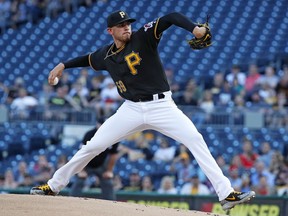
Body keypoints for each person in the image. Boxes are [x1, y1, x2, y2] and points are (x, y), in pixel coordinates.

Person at [30, 10, 255, 210]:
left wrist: (194, 28)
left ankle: (226, 194)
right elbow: (87, 59)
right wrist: (63, 65)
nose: (126, 26)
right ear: (110, 31)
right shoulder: (106, 55)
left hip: (162, 106)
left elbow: (171, 17)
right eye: (121, 25)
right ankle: (53, 185)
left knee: (195, 139)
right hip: (131, 110)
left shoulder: (143, 36)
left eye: (128, 23)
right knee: (94, 145)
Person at [69, 120, 119, 200]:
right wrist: (81, 170)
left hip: (101, 164)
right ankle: (71, 200)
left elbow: (113, 154)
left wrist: (109, 171)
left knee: (108, 181)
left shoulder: (113, 135)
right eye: (101, 124)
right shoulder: (89, 134)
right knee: (80, 179)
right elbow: (81, 152)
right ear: (97, 124)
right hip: (86, 163)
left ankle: (111, 204)